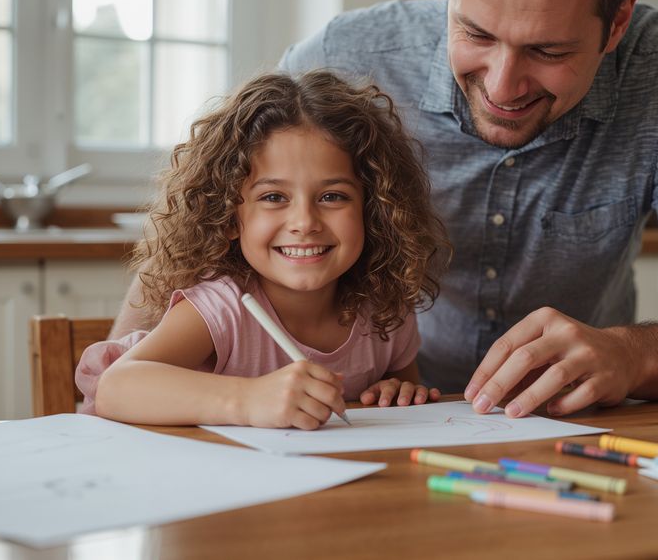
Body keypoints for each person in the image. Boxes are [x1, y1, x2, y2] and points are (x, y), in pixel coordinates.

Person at [110, 0, 658, 419]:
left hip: (566, 434)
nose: (503, 86)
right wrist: (111, 401)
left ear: (617, 22)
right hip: (379, 436)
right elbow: (191, 237)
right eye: (475, 33)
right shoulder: (345, 57)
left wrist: (632, 354)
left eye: (548, 50)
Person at [80, 70, 449, 429]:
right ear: (228, 217)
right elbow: (115, 388)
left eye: (332, 196)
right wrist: (248, 399)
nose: (304, 222)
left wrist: (395, 392)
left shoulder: (385, 310)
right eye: (273, 197)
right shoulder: (220, 308)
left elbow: (400, 392)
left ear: (374, 211)